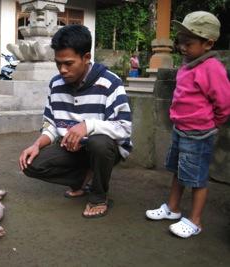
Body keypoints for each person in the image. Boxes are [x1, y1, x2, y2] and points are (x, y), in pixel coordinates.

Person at [19, 24, 132, 218]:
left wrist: (88, 126)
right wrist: (37, 144)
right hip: (71, 149)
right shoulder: (56, 84)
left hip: (103, 150)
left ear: (86, 57)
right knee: (30, 164)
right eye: (58, 63)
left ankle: (98, 196)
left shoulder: (110, 83)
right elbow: (51, 125)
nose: (62, 70)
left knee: (100, 143)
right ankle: (83, 178)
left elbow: (124, 128)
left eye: (68, 63)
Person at [146, 11, 230, 238]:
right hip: (181, 129)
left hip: (199, 133)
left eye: (188, 43)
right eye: (180, 42)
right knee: (178, 170)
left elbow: (224, 102)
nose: (182, 47)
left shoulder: (212, 68)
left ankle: (195, 221)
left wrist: (212, 123)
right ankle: (173, 208)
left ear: (208, 43)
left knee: (197, 178)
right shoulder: (189, 64)